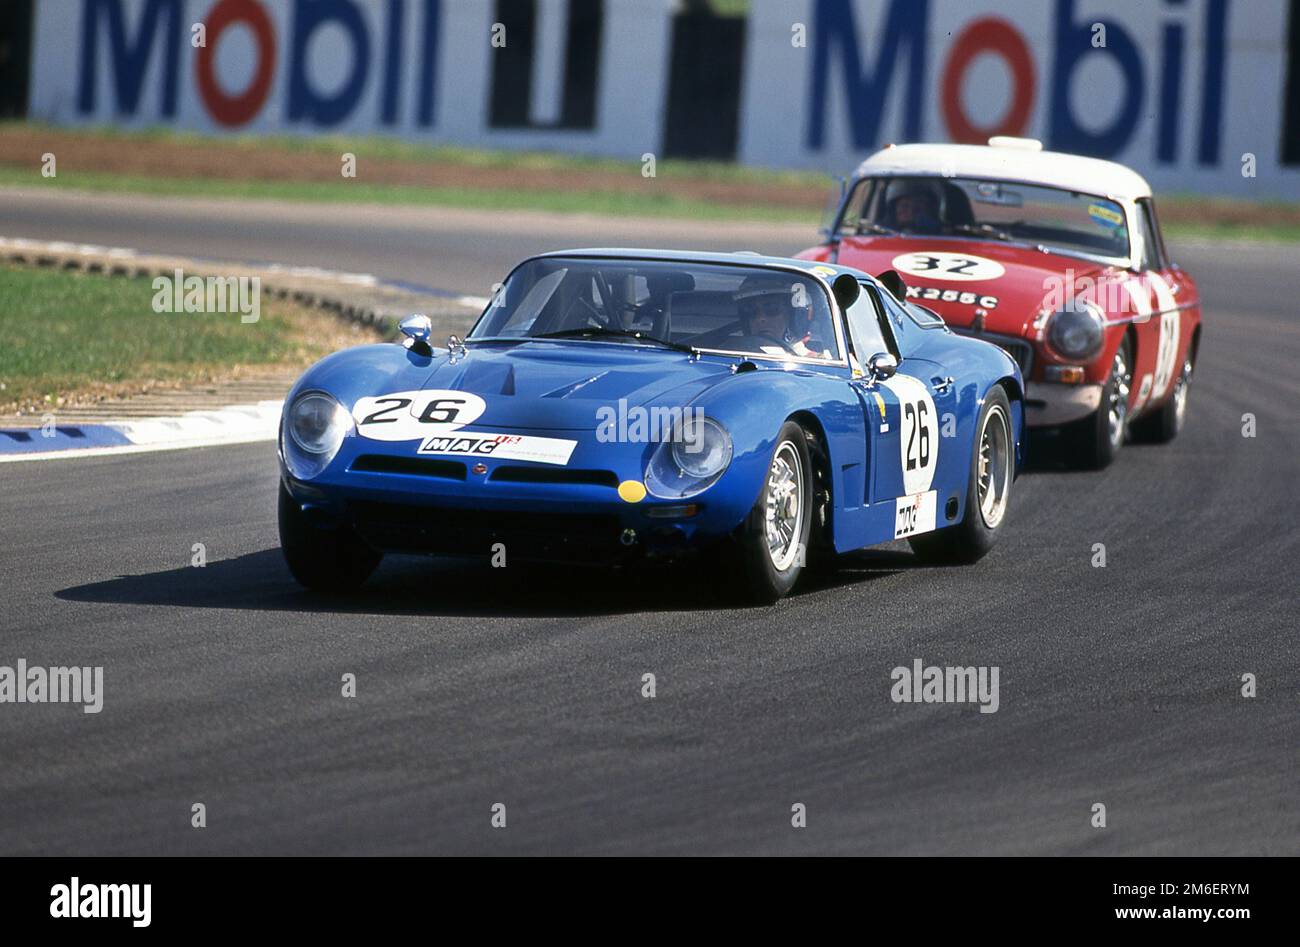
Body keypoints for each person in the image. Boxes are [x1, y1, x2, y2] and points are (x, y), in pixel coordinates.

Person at [734, 274, 833, 359]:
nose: (761, 318)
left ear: (790, 315)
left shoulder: (816, 362)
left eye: (772, 309)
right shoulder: (730, 354)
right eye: (751, 312)